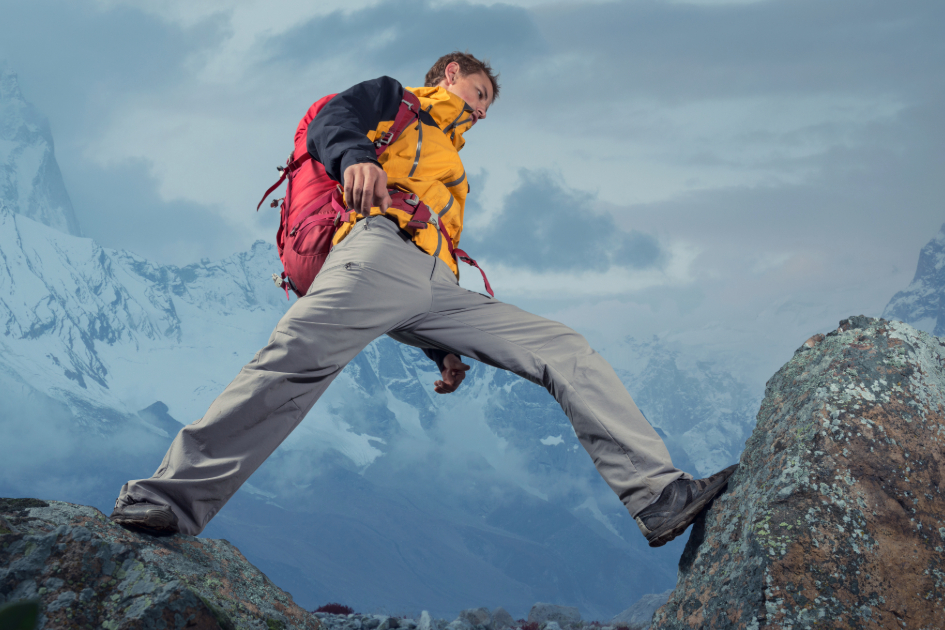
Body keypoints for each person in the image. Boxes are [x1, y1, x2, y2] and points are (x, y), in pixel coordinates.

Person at [110, 52, 736, 548]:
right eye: (481, 95)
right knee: (294, 360)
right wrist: (355, 158)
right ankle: (165, 498)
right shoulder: (397, 98)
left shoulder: (451, 161)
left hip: (435, 283)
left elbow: (428, 251)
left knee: (562, 348)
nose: (484, 113)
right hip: (377, 247)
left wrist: (439, 349)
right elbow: (332, 118)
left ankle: (658, 496)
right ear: (452, 74)